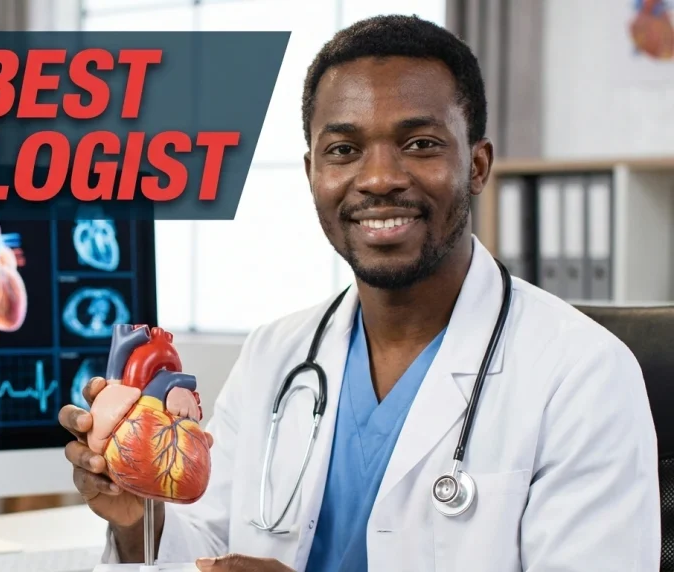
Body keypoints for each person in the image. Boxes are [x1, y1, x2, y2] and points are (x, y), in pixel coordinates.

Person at [59, 14, 661, 572]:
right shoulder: (275, 354)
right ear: (313, 174)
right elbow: (200, 546)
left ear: (477, 166)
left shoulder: (584, 375)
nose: (378, 179)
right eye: (343, 150)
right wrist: (141, 518)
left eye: (420, 144)